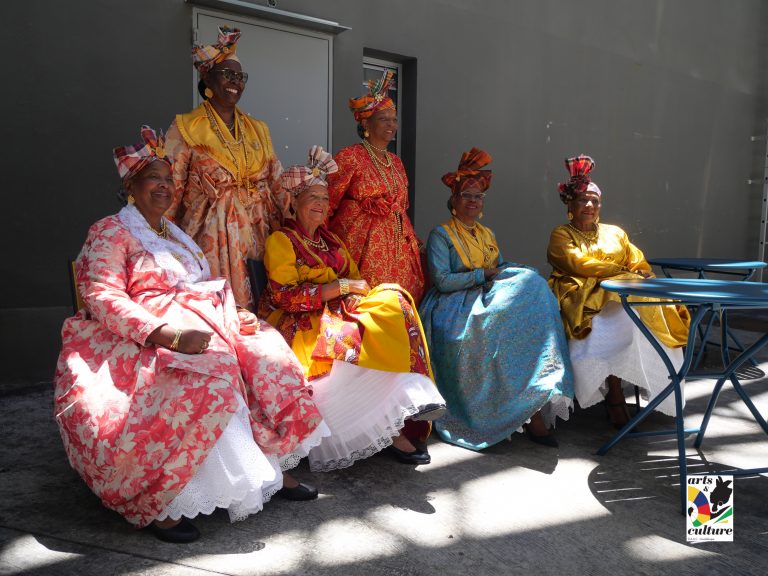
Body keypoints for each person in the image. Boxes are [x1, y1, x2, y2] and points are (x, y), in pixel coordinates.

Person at [54, 127, 328, 544]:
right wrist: (166, 335)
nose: (165, 186)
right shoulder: (110, 231)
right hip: (138, 334)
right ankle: (165, 500)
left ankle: (271, 470)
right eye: (154, 178)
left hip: (201, 321)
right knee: (211, 371)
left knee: (265, 350)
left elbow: (202, 282)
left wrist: (234, 314)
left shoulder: (173, 232)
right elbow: (102, 295)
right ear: (131, 187)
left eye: (169, 179)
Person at [259, 146, 446, 469]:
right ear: (293, 202)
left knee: (394, 299)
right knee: (357, 334)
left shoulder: (330, 240)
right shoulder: (282, 240)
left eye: (324, 198)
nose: (321, 204)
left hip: (334, 311)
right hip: (299, 320)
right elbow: (284, 296)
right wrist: (340, 288)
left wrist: (350, 293)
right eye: (312, 198)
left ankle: (412, 394)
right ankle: (390, 430)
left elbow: (356, 279)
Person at [419, 148, 573, 450]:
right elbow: (443, 281)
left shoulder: (486, 233)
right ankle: (512, 413)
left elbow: (498, 267)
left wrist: (509, 272)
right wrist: (483, 275)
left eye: (478, 196)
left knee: (534, 287)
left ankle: (535, 401)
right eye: (466, 195)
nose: (473, 201)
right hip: (452, 305)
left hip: (485, 296)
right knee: (497, 329)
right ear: (454, 200)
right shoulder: (441, 234)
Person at [547, 155, 690, 428]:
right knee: (614, 320)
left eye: (595, 201)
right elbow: (576, 263)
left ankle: (654, 382)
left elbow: (636, 262)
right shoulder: (562, 234)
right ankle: (614, 391)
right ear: (570, 205)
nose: (590, 205)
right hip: (579, 294)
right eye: (583, 200)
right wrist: (621, 273)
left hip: (623, 292)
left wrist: (641, 273)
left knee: (645, 314)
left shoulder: (615, 232)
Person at [165, 26, 286, 310]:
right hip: (213, 237)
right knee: (221, 310)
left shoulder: (258, 129)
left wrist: (295, 217)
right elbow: (172, 187)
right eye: (227, 74)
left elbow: (277, 181)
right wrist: (161, 241)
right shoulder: (186, 127)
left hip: (259, 232)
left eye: (240, 77)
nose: (235, 82)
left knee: (261, 305)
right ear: (207, 78)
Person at [326, 71, 425, 304]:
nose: (391, 124)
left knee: (399, 303)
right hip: (362, 247)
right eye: (383, 119)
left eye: (394, 119)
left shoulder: (396, 162)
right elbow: (329, 201)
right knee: (368, 303)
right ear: (365, 123)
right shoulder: (350, 156)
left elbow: (402, 206)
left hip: (398, 248)